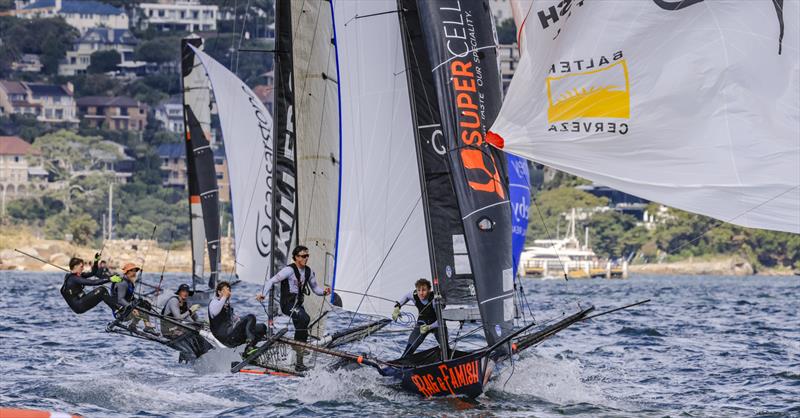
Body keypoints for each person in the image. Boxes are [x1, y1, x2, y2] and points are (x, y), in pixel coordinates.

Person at [256, 245, 330, 371]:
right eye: (303, 256)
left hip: (298, 305)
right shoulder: (288, 270)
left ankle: (299, 363)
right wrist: (263, 294)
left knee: (302, 326)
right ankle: (298, 346)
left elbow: (315, 288)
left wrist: (324, 292)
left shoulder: (309, 272)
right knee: (305, 318)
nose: (306, 258)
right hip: (287, 304)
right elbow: (271, 281)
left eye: (307, 256)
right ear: (296, 257)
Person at [392, 278, 446, 358]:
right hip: (422, 323)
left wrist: (429, 327)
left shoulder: (435, 300)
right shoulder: (414, 295)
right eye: (419, 290)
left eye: (424, 290)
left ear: (429, 290)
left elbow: (441, 320)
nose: (421, 293)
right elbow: (407, 296)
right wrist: (398, 306)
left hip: (437, 324)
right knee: (408, 350)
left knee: (445, 348)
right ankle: (402, 362)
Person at [209, 281, 267, 354]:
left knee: (262, 327)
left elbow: (236, 318)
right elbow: (215, 312)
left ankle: (247, 353)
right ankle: (249, 346)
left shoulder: (227, 305)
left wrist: (256, 297)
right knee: (251, 317)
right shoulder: (214, 302)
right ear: (219, 292)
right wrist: (224, 297)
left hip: (232, 335)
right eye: (225, 291)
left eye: (229, 290)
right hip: (225, 337)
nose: (228, 292)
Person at [112, 262, 158, 335]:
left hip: (126, 309)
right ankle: (147, 326)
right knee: (142, 306)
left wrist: (140, 302)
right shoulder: (122, 283)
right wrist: (132, 307)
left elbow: (130, 298)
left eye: (135, 271)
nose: (134, 273)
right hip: (120, 313)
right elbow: (120, 300)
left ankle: (133, 325)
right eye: (132, 271)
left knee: (145, 304)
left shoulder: (129, 282)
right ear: (127, 272)